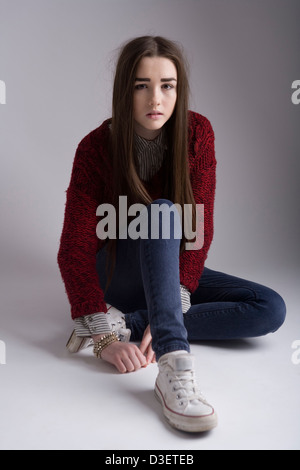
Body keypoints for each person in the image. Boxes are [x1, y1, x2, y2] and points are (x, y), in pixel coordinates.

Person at [57, 36, 286, 433]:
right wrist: (101, 340)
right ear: (124, 91)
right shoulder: (96, 147)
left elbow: (200, 227)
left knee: (269, 307)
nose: (155, 99)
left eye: (167, 85)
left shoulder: (197, 133)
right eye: (141, 86)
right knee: (162, 211)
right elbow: (74, 250)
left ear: (179, 89)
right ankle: (173, 364)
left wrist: (176, 298)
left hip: (169, 273)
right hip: (118, 271)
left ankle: (135, 322)